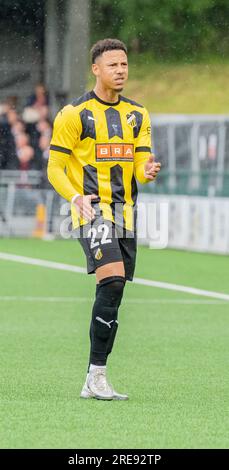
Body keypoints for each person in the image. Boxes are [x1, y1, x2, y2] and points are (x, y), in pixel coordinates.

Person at [47, 38, 161, 401]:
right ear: (96, 69)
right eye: (113, 65)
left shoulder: (138, 114)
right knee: (111, 280)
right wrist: (75, 197)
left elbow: (141, 169)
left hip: (126, 213)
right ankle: (96, 376)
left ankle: (96, 376)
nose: (120, 70)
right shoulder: (74, 114)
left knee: (114, 292)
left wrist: (148, 170)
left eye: (124, 64)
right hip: (91, 210)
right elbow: (55, 168)